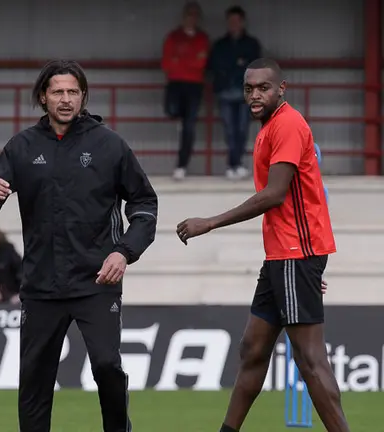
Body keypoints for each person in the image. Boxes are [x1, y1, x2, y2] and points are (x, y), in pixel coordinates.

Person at [0, 60, 158, 432]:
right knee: (35, 381)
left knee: (107, 365)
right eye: (58, 91)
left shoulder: (109, 145)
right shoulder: (22, 146)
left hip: (97, 281)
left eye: (73, 92)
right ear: (43, 97)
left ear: (83, 96)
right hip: (40, 285)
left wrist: (123, 251)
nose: (66, 99)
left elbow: (144, 204)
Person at [175, 58, 350, 432]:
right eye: (249, 88)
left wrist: (210, 222)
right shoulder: (270, 126)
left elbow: (274, 195)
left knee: (309, 358)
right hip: (282, 256)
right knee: (253, 348)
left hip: (295, 253)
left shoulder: (286, 124)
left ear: (281, 89)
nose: (255, 94)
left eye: (263, 88)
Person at [207, 6, 261, 180]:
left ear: (242, 22)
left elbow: (255, 67)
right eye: (231, 21)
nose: (234, 24)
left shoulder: (251, 44)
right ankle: (233, 164)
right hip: (225, 92)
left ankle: (237, 163)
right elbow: (214, 66)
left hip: (245, 93)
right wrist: (237, 65)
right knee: (230, 129)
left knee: (242, 129)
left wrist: (237, 67)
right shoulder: (220, 45)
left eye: (237, 21)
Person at [161, 1, 210, 181]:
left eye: (194, 15)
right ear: (184, 17)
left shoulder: (202, 38)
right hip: (175, 84)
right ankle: (179, 120)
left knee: (189, 126)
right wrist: (188, 62)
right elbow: (167, 63)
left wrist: (180, 60)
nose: (191, 18)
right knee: (172, 112)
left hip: (194, 86)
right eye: (189, 15)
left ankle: (182, 165)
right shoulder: (173, 37)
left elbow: (201, 63)